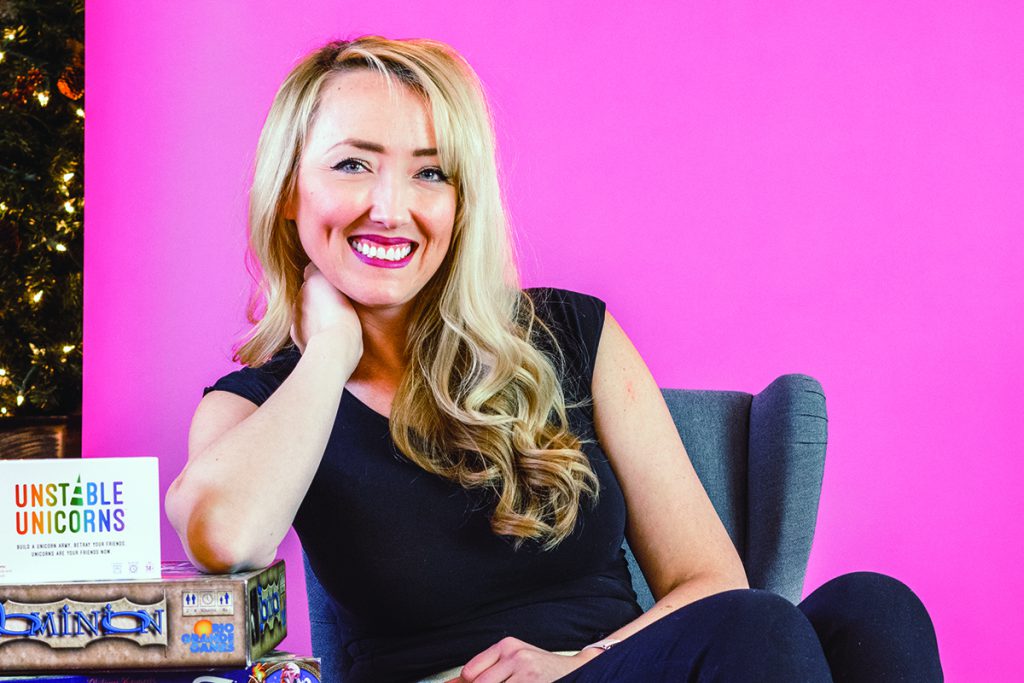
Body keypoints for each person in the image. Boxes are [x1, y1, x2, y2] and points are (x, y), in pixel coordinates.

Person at [165, 36, 942, 683]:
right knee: (757, 634)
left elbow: (710, 582)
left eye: (430, 172)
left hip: (607, 665)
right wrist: (330, 349)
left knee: (875, 611)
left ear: (461, 203)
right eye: (352, 164)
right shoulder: (261, 403)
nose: (391, 207)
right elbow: (227, 536)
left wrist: (573, 663)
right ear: (291, 190)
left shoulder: (570, 334)